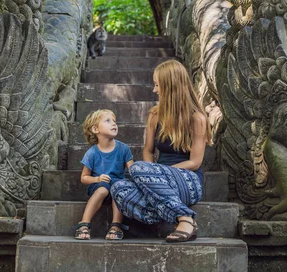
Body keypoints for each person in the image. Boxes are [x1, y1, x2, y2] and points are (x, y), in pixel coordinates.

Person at [111, 60, 212, 242]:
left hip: (188, 180)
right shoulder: (154, 115)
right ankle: (171, 212)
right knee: (118, 188)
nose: (154, 90)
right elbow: (148, 151)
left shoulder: (197, 118)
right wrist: (151, 176)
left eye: (158, 85)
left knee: (137, 168)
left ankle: (185, 219)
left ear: (170, 86)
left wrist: (158, 173)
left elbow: (195, 162)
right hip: (157, 182)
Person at [73, 109, 134, 240]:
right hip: (99, 187)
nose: (114, 124)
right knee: (102, 189)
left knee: (119, 188)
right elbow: (84, 177)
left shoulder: (124, 149)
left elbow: (134, 170)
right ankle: (84, 223)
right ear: (95, 129)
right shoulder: (92, 152)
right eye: (108, 121)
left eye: (114, 121)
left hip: (118, 187)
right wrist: (97, 179)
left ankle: (116, 225)